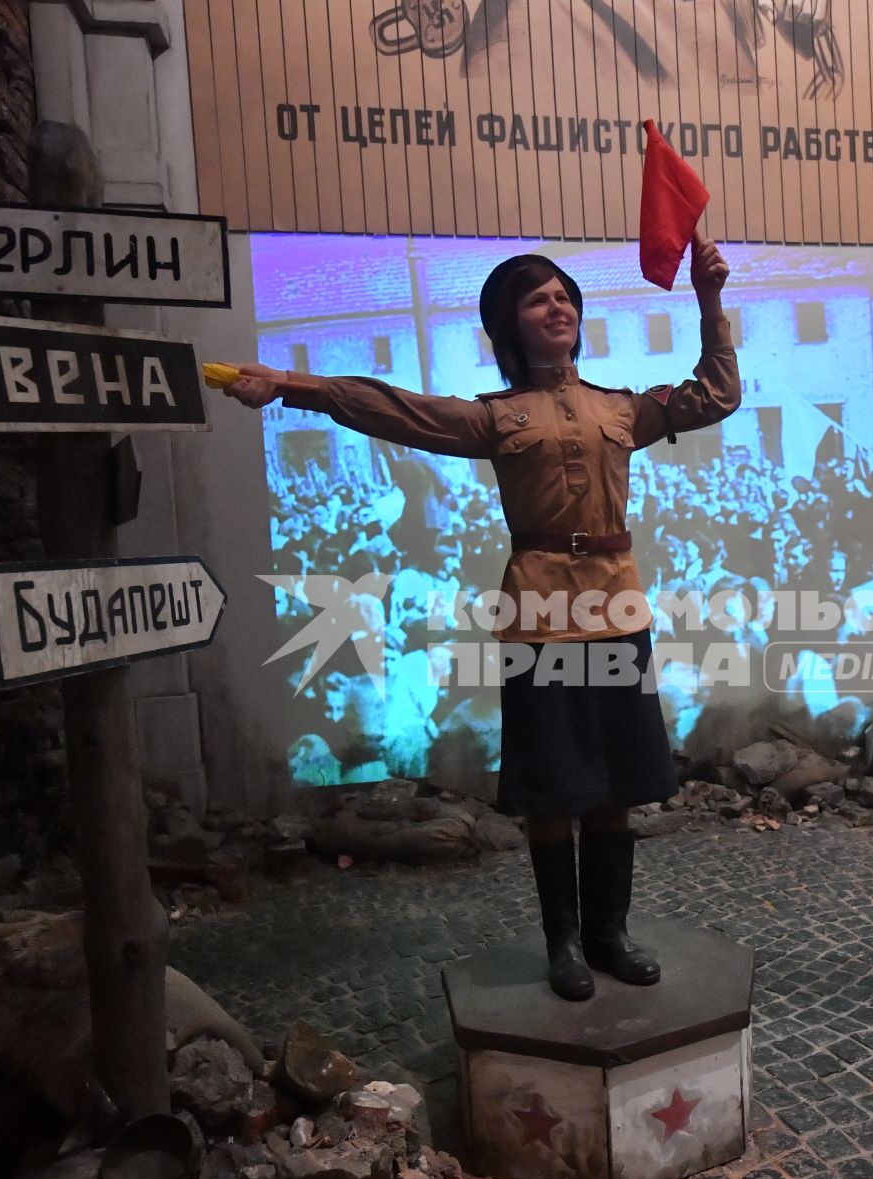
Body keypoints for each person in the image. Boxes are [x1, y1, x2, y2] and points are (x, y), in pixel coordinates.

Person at [219, 237, 739, 1002]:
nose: (556, 304)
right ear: (508, 326)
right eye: (537, 298)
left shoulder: (624, 408)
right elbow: (397, 410)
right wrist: (292, 384)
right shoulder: (496, 417)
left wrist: (708, 299)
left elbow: (717, 395)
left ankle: (610, 934)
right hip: (537, 612)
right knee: (553, 782)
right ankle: (563, 942)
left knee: (617, 781)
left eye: (564, 294)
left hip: (617, 609)